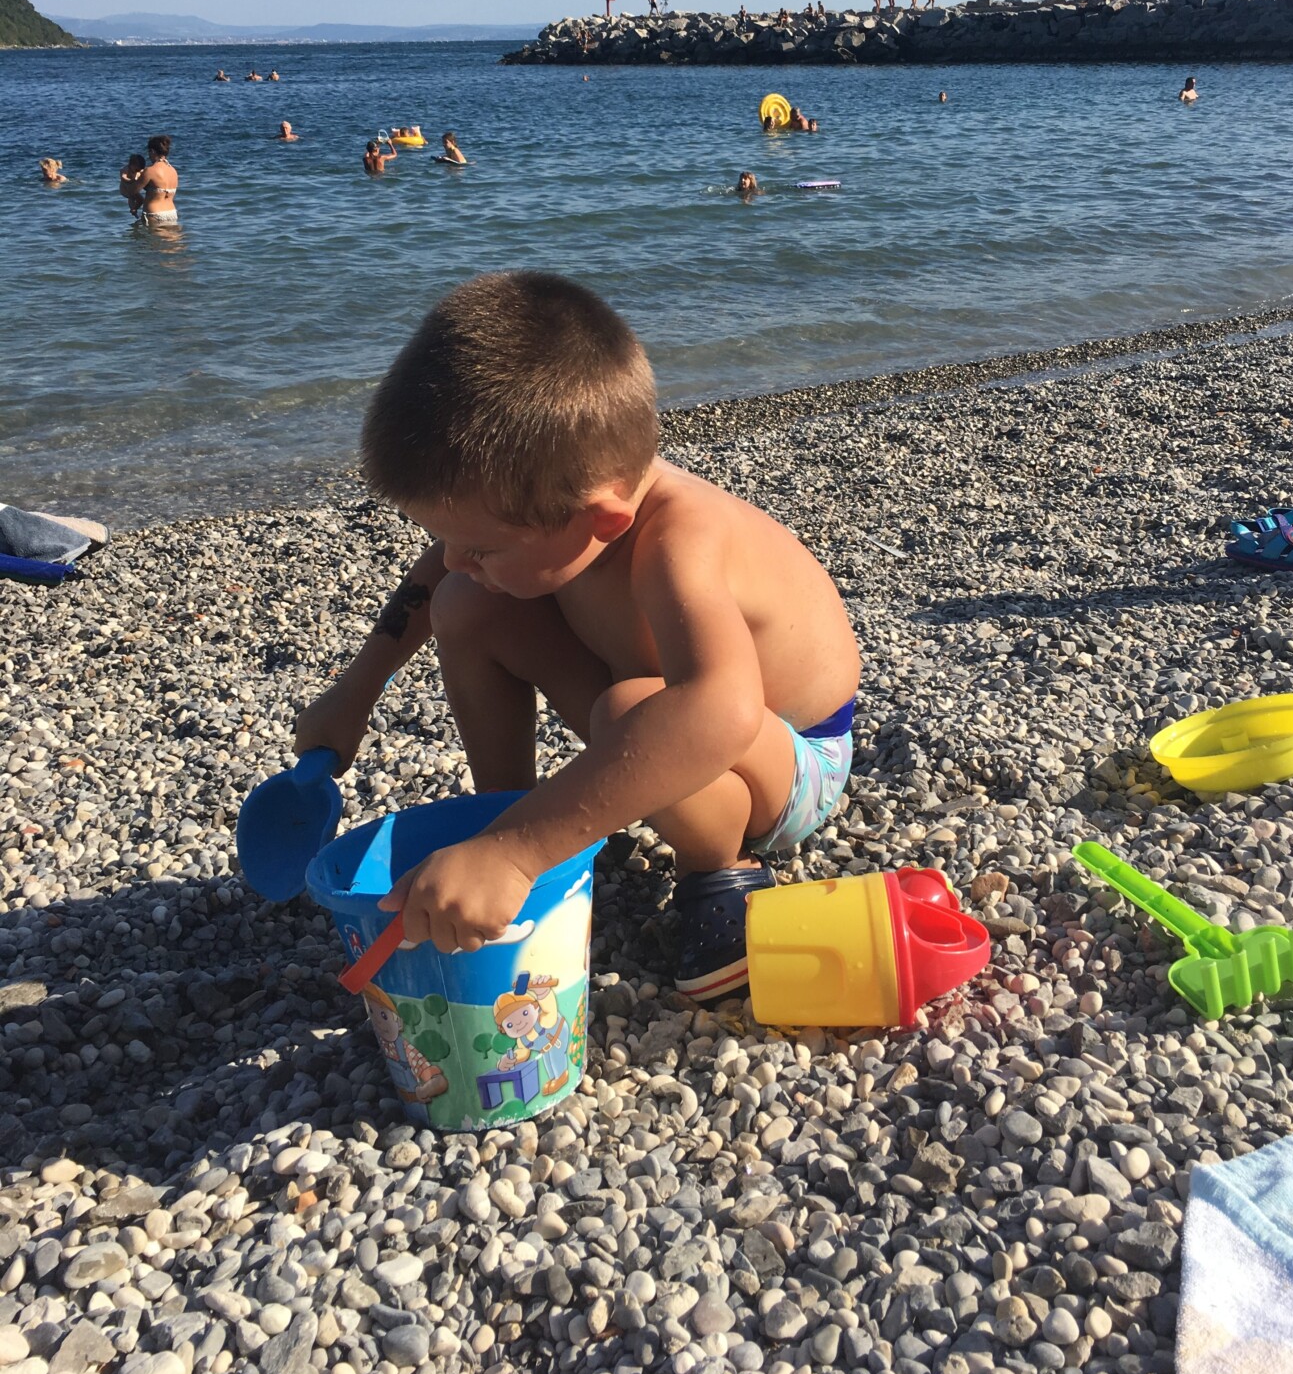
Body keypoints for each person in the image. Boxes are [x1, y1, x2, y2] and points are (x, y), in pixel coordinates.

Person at [294, 272, 860, 1000]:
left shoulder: (681, 541)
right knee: (465, 603)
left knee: (633, 708)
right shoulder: (558, 506)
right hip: (655, 706)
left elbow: (720, 712)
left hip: (787, 763)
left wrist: (517, 852)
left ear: (600, 521)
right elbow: (442, 576)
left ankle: (717, 870)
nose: (453, 557)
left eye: (480, 545)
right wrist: (355, 691)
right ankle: (505, 815)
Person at [132, 135, 179, 224]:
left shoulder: (150, 171)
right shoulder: (173, 171)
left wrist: (134, 176)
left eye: (149, 152)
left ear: (152, 151)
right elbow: (157, 188)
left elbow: (133, 190)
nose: (148, 155)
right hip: (171, 213)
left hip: (154, 214)